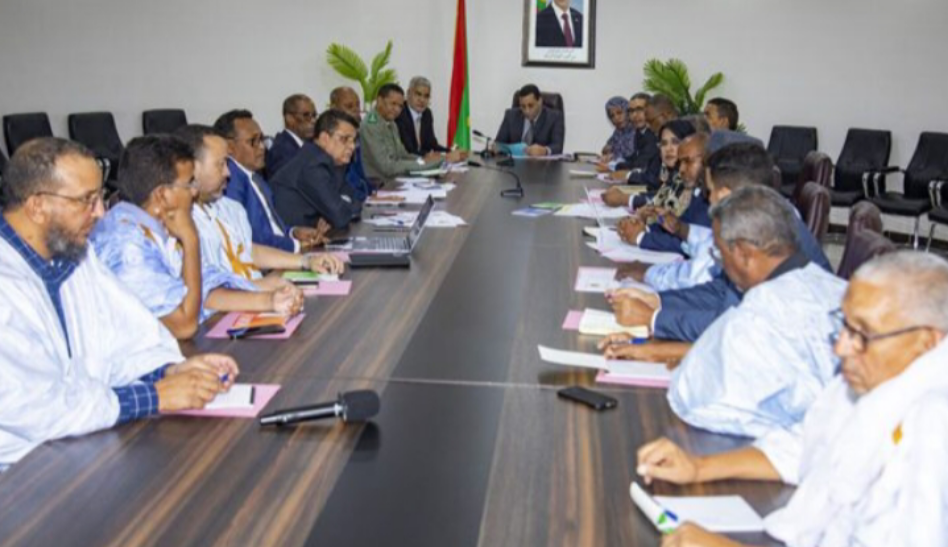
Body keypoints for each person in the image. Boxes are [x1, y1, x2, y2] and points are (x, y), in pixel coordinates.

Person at [636, 251, 948, 547]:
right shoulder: (874, 375)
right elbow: (806, 445)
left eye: (862, 334)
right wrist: (698, 467)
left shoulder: (933, 429)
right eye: (844, 325)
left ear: (927, 341)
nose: (841, 348)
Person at [0, 138, 239, 469]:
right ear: (37, 206)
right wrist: (156, 395)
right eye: (87, 200)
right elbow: (37, 407)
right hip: (19, 475)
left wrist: (169, 370)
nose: (100, 212)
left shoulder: (76, 257)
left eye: (99, 197)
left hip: (79, 447)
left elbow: (125, 340)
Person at [605, 186, 845, 438]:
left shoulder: (769, 305)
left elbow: (697, 398)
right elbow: (733, 346)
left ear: (743, 253)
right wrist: (651, 349)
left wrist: (668, 353)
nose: (719, 264)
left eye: (719, 253)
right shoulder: (820, 284)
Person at [608, 144, 831, 343]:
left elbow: (734, 325)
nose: (708, 198)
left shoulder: (768, 234)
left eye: (710, 190)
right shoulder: (762, 216)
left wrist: (655, 318)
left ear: (724, 194)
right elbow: (722, 290)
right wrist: (658, 301)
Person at [92, 135, 266, 340]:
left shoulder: (159, 229)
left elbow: (207, 288)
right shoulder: (125, 245)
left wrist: (269, 301)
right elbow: (184, 325)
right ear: (162, 195)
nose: (194, 192)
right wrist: (191, 239)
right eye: (189, 183)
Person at [175, 125, 343, 294]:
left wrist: (306, 261)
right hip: (240, 301)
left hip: (257, 293)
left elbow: (249, 250)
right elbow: (209, 291)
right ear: (191, 168)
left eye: (227, 163)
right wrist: (267, 290)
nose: (228, 172)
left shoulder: (230, 208)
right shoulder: (182, 223)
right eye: (220, 164)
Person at [214, 110, 325, 253]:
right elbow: (251, 239)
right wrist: (295, 245)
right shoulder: (231, 182)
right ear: (229, 146)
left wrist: (293, 232)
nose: (262, 147)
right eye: (253, 141)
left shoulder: (255, 177)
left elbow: (270, 227)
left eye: (262, 139)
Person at [613, 132, 711, 256]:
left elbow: (692, 245)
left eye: (688, 161)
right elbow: (677, 229)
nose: (681, 169)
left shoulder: (712, 198)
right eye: (680, 162)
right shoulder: (698, 194)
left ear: (709, 161)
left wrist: (642, 238)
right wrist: (644, 228)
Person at [271, 110, 363, 230]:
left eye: (354, 140)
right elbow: (340, 216)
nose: (352, 146)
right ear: (324, 138)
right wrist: (339, 208)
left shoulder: (327, 160)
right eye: (345, 139)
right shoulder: (312, 165)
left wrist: (340, 206)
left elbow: (354, 199)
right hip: (291, 237)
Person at [361, 83, 444, 180]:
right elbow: (387, 166)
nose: (397, 109)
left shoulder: (391, 123)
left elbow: (402, 154)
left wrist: (422, 160)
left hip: (395, 178)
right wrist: (423, 164)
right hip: (379, 183)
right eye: (393, 104)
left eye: (400, 106)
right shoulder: (371, 126)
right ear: (379, 101)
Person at [608, 94, 677, 189]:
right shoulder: (640, 133)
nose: (634, 115)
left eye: (639, 109)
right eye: (631, 111)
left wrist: (627, 174)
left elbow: (645, 168)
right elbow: (635, 159)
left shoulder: (658, 135)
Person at [395, 76, 466, 162]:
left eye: (426, 96)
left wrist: (451, 151)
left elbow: (432, 145)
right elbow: (408, 150)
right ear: (408, 93)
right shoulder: (400, 113)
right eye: (418, 94)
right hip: (407, 162)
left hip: (423, 161)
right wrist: (441, 156)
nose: (422, 100)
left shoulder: (427, 114)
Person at [494, 84, 566, 157]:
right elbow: (499, 144)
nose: (527, 111)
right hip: (514, 162)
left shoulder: (555, 117)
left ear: (540, 101)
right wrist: (495, 148)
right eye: (523, 106)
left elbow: (558, 146)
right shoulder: (510, 116)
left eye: (530, 106)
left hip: (540, 163)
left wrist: (544, 150)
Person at [329, 86, 374, 201]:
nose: (356, 110)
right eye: (349, 106)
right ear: (334, 108)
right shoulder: (330, 142)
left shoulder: (358, 135)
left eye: (357, 105)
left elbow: (363, 174)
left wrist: (376, 194)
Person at [266, 94, 317, 178]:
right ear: (289, 118)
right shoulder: (281, 151)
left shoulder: (311, 144)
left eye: (314, 115)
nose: (313, 121)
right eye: (306, 115)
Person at [601, 96, 637, 161]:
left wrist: (614, 156)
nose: (616, 118)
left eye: (619, 113)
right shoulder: (618, 132)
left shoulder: (637, 130)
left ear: (628, 112)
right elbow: (607, 147)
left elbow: (631, 155)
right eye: (612, 116)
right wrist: (606, 150)